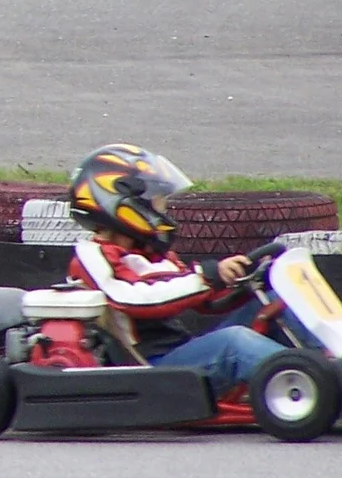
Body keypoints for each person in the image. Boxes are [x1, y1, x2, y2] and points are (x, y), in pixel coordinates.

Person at [66, 142, 286, 396]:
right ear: (123, 203)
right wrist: (205, 277)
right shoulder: (91, 256)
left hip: (181, 352)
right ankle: (309, 382)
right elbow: (130, 297)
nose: (164, 210)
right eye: (158, 202)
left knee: (275, 302)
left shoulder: (152, 254)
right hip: (150, 370)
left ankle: (319, 367)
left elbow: (204, 302)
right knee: (234, 342)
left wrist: (244, 283)